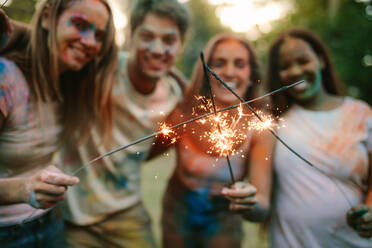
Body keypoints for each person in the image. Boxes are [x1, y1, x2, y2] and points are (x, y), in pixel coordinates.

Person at [55, 0, 191, 247]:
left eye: (169, 41)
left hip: (127, 214)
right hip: (72, 216)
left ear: (181, 44)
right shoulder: (98, 68)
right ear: (131, 35)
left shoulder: (176, 102)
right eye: (147, 36)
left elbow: (147, 152)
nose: (158, 49)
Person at [0, 0, 117, 247]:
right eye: (79, 24)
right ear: (46, 18)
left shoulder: (68, 83)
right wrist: (22, 189)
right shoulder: (6, 79)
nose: (90, 42)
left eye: (99, 35)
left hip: (50, 223)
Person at [148, 33, 274, 248]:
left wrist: (250, 203)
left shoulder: (260, 127)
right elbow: (143, 154)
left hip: (224, 222)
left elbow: (261, 208)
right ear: (206, 71)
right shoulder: (183, 116)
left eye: (240, 64)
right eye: (219, 63)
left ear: (252, 74)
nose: (229, 72)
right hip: (177, 214)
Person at [265, 28, 372, 247]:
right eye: (285, 67)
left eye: (303, 61)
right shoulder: (273, 123)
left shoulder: (361, 113)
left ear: (321, 60)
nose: (295, 71)